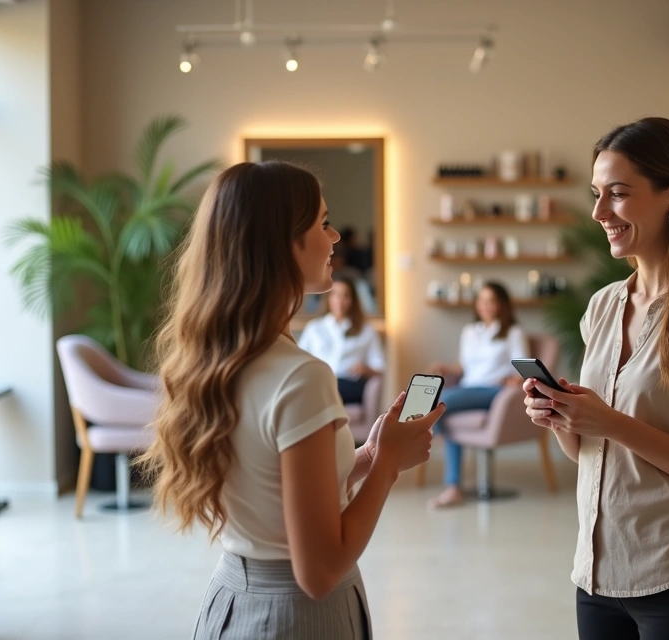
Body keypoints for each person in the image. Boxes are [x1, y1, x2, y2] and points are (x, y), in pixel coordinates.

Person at [138, 161, 445, 640]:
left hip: (233, 599)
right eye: (322, 223)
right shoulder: (301, 377)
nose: (337, 236)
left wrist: (365, 456)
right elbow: (319, 573)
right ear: (283, 243)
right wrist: (386, 465)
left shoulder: (221, 360)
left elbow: (274, 491)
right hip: (296, 617)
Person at [523, 117, 669, 638]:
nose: (599, 212)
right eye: (596, 194)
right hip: (597, 578)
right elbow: (590, 454)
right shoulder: (604, 307)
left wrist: (612, 422)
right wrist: (565, 418)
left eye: (618, 194)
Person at [427, 281, 530, 508]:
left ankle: (451, 485)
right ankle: (453, 487)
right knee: (442, 411)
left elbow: (523, 368)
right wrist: (446, 368)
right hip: (468, 387)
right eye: (481, 301)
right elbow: (462, 367)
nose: (485, 306)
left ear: (502, 305)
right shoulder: (470, 331)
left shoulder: (513, 332)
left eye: (491, 301)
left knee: (439, 404)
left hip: (494, 391)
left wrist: (515, 379)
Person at [298, 276, 385, 405]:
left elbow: (379, 365)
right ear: (328, 298)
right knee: (319, 387)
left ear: (353, 300)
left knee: (325, 390)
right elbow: (299, 359)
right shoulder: (314, 328)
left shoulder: (366, 330)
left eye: (346, 296)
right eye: (336, 295)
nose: (340, 301)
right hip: (322, 381)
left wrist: (366, 369)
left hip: (350, 384)